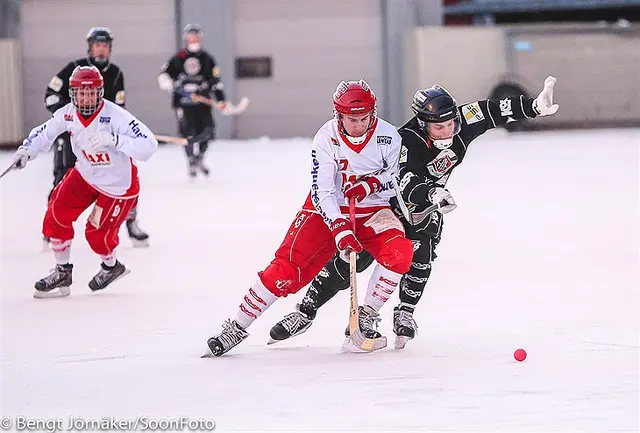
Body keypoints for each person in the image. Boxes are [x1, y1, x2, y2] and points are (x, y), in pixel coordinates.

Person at [269, 76, 560, 349]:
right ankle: (306, 312)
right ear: (423, 124)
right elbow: (405, 180)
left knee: (423, 255)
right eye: (438, 128)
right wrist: (432, 192)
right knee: (353, 263)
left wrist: (533, 106)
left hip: (429, 205)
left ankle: (398, 312)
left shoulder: (459, 121)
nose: (447, 132)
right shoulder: (406, 139)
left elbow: (492, 110)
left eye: (451, 125)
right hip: (391, 206)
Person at [203, 80, 414, 357]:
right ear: (338, 115)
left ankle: (365, 317)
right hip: (326, 210)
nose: (359, 125)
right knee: (286, 270)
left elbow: (396, 177)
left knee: (400, 252)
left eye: (364, 118)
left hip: (374, 211)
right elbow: (322, 189)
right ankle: (237, 326)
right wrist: (340, 228)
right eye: (352, 119)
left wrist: (370, 185)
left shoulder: (388, 135)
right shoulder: (326, 137)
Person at [12, 66, 158, 299]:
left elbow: (149, 145)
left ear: (100, 92)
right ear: (73, 94)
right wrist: (27, 150)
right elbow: (45, 133)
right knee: (56, 212)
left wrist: (115, 139)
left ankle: (111, 267)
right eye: (82, 93)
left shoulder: (115, 115)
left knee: (96, 234)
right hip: (85, 175)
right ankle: (62, 271)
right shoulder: (67, 113)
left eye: (91, 93)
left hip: (117, 186)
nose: (87, 98)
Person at [44, 26, 151, 247]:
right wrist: (72, 117)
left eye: (105, 46)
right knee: (63, 178)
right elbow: (51, 96)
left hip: (102, 140)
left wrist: (117, 134)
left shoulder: (116, 74)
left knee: (124, 176)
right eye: (97, 46)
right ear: (90, 48)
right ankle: (53, 228)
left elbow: (120, 108)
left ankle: (131, 222)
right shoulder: (73, 69)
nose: (101, 50)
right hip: (73, 135)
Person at [157, 24, 228, 178]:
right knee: (187, 134)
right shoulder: (178, 58)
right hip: (184, 104)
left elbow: (216, 81)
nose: (193, 39)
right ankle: (191, 160)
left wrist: (221, 100)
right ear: (186, 38)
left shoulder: (207, 59)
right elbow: (163, 76)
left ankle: (199, 158)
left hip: (202, 103)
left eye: (196, 36)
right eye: (191, 36)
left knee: (207, 131)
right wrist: (172, 85)